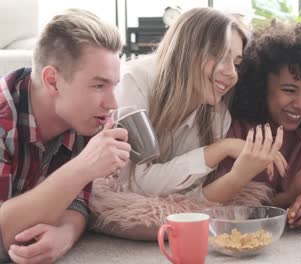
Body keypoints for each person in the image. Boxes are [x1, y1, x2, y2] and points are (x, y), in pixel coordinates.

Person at [90, 8, 284, 240]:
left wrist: (239, 175)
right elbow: (133, 183)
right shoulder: (134, 83)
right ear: (187, 51)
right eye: (221, 56)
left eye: (236, 62)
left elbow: (189, 198)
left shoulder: (218, 115)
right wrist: (220, 149)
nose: (232, 73)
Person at [0, 9, 130, 263]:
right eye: (98, 85)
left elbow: (79, 202)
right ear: (52, 81)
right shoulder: (4, 119)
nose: (112, 103)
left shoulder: (80, 118)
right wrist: (84, 167)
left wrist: (66, 234)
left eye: (113, 86)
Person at [215, 22, 301, 229]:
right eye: (289, 90)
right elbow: (226, 213)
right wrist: (289, 197)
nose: (300, 104)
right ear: (262, 85)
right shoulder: (234, 132)